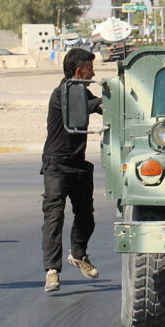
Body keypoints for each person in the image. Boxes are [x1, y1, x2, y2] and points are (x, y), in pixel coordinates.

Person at [40, 48, 103, 292]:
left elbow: (97, 105)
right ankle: (52, 270)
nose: (93, 73)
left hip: (78, 164)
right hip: (56, 164)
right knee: (54, 217)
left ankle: (79, 255)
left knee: (86, 216)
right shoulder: (63, 92)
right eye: (90, 69)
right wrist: (99, 102)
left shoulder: (80, 90)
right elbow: (88, 105)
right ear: (79, 71)